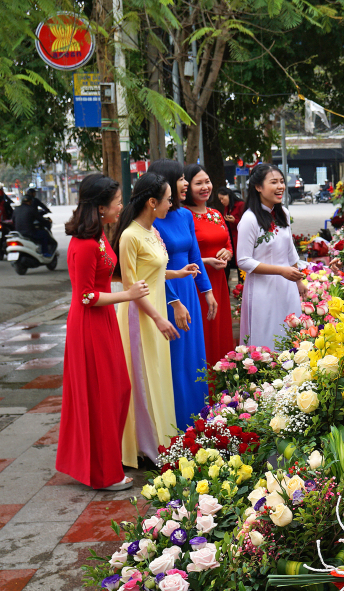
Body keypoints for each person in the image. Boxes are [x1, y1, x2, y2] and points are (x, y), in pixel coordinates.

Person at [57, 174, 150, 491]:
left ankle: (100, 465)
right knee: (102, 396)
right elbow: (85, 296)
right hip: (89, 325)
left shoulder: (98, 237)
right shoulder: (83, 245)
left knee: (117, 391)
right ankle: (102, 473)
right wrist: (129, 295)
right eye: (117, 201)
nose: (121, 206)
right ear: (99, 207)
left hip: (104, 321)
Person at [112, 172, 197, 467]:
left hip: (156, 310)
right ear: (152, 202)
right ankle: (143, 447)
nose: (170, 205)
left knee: (158, 375)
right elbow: (131, 288)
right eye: (167, 199)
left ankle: (161, 440)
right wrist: (160, 319)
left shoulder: (152, 231)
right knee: (143, 378)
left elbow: (155, 272)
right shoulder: (130, 236)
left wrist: (178, 272)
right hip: (140, 316)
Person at [150, 159, 217, 431]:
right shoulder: (153, 218)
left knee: (194, 358)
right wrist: (172, 301)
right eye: (180, 178)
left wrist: (207, 290)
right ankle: (176, 424)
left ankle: (199, 420)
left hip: (189, 290)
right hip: (167, 293)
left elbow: (195, 257)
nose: (186, 183)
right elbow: (152, 268)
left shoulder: (186, 215)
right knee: (176, 360)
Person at [237, 163, 305, 350]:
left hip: (287, 286)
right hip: (262, 289)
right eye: (273, 182)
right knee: (266, 336)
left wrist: (298, 280)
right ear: (258, 187)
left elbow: (290, 249)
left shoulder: (283, 213)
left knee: (290, 335)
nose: (280, 187)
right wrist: (280, 271)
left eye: (282, 182)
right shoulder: (250, 219)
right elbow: (243, 260)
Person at [183, 164, 234, 368]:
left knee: (220, 330)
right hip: (196, 283)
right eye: (198, 183)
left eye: (207, 182)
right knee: (203, 331)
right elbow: (177, 256)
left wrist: (228, 253)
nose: (205, 187)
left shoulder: (216, 214)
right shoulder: (183, 216)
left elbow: (228, 244)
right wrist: (205, 262)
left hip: (219, 282)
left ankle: (222, 383)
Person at [12, 192, 57, 256]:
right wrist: (47, 221)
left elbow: (13, 220)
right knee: (44, 234)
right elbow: (40, 219)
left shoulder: (16, 209)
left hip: (18, 233)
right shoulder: (31, 209)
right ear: (30, 201)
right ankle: (45, 253)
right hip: (29, 233)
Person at [217, 187, 245, 282]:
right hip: (230, 239)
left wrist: (235, 221)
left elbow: (246, 223)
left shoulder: (240, 205)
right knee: (227, 265)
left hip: (239, 239)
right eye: (219, 199)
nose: (221, 201)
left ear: (228, 195)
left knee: (240, 265)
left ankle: (241, 287)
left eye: (222, 198)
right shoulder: (227, 207)